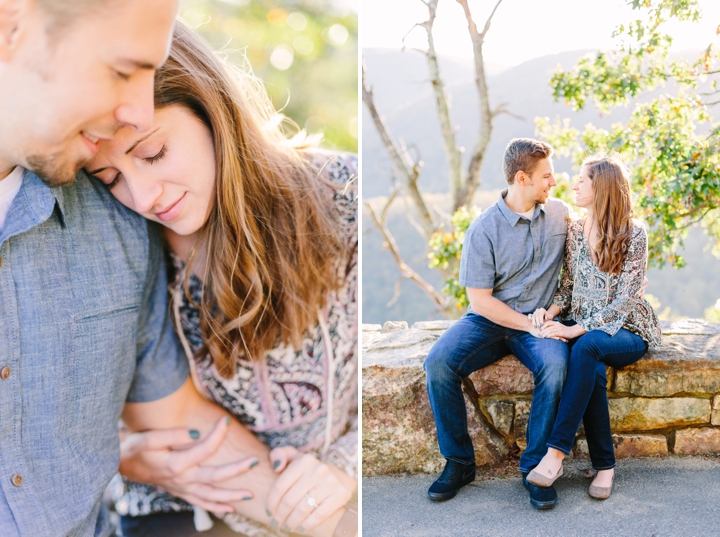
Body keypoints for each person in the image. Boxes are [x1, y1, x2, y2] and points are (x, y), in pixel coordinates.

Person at [0, 2, 354, 536]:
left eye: (155, 152)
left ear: (213, 112)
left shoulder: (342, 197)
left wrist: (344, 481)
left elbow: (181, 419)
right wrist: (116, 451)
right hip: (180, 508)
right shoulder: (127, 228)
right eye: (111, 178)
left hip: (306, 490)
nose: (142, 195)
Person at [423, 138, 571, 509]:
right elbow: (480, 300)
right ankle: (459, 463)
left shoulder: (559, 215)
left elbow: (581, 265)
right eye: (546, 177)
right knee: (438, 363)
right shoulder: (483, 229)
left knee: (555, 366)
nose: (552, 183)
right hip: (491, 320)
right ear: (522, 178)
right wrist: (525, 324)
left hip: (540, 321)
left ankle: (535, 468)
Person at [526, 154, 661, 499]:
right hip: (588, 331)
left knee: (585, 347)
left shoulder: (634, 233)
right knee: (590, 368)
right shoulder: (574, 229)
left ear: (600, 186)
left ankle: (555, 454)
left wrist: (575, 329)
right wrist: (551, 311)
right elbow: (569, 285)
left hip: (628, 330)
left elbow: (626, 301)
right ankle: (605, 465)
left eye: (581, 180)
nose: (574, 185)